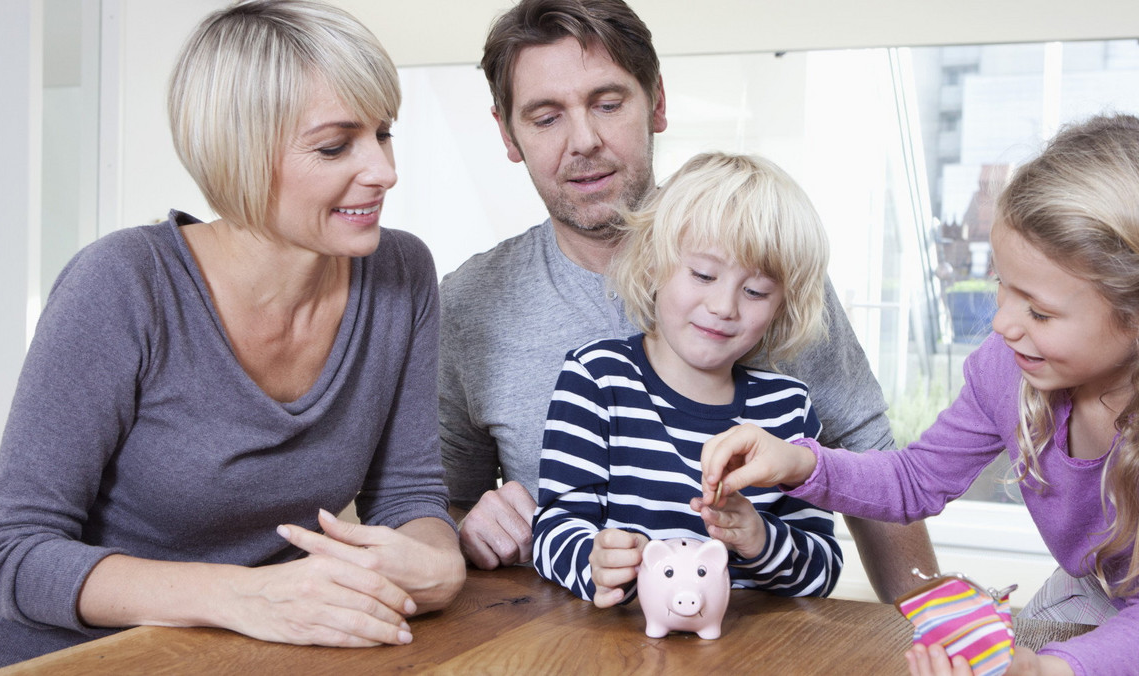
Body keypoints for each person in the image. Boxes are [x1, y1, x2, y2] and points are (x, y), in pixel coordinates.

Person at [0, 2, 464, 672]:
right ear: (239, 153)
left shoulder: (400, 273)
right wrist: (245, 596)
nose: (384, 170)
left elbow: (407, 498)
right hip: (44, 658)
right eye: (336, 145)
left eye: (384, 134)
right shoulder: (123, 284)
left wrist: (437, 561)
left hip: (225, 656)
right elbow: (10, 553)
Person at [438, 0, 938, 601]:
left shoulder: (760, 256)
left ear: (658, 103)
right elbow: (442, 499)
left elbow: (865, 459)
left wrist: (932, 621)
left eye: (608, 103)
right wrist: (467, 524)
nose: (584, 141)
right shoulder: (469, 303)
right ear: (507, 134)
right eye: (546, 118)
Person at [699, 113, 1139, 676]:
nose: (1002, 324)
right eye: (1002, 284)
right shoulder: (1008, 372)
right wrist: (797, 462)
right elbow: (914, 481)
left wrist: (1048, 670)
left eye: (1039, 311)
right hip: (1095, 592)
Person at [532, 152, 842, 606]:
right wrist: (594, 564)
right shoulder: (597, 379)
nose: (724, 306)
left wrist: (761, 541)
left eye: (755, 291)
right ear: (654, 263)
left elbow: (824, 570)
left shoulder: (788, 409)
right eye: (703, 274)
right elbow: (554, 530)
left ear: (782, 307)